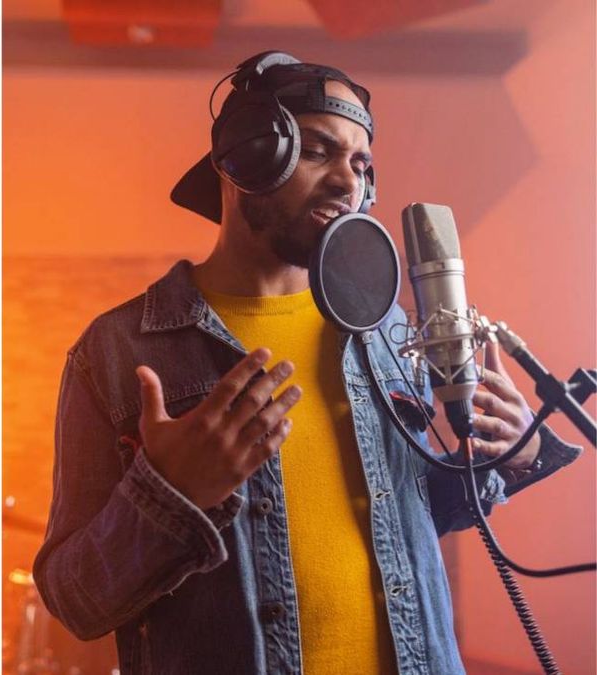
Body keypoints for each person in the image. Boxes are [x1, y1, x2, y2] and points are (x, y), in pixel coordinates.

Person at [32, 51, 581, 675]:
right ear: (242, 157)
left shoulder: (388, 326)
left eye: (361, 164)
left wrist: (509, 455)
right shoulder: (117, 351)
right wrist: (173, 496)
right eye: (319, 152)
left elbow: (407, 516)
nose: (349, 184)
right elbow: (74, 601)